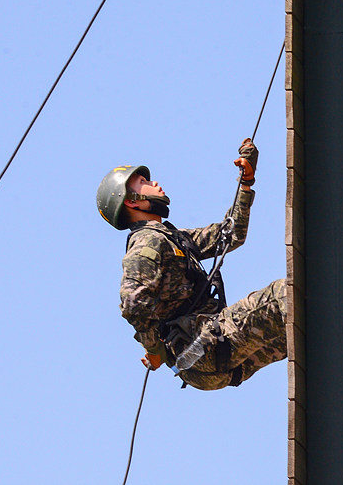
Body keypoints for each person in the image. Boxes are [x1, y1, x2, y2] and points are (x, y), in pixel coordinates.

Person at [96, 139, 286, 390]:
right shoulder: (147, 242)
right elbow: (133, 304)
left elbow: (230, 235)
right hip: (203, 346)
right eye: (142, 183)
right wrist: (153, 348)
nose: (154, 183)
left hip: (206, 361)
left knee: (297, 334)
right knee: (286, 294)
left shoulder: (173, 238)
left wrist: (245, 184)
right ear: (131, 201)